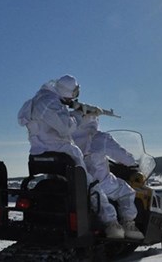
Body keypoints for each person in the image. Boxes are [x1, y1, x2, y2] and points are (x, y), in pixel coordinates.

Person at [17, 75, 125, 239]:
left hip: (38, 154)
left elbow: (41, 120)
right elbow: (67, 128)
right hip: (63, 152)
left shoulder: (35, 101)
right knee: (90, 185)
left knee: (59, 186)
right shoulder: (51, 103)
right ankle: (111, 223)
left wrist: (73, 110)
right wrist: (79, 116)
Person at [72, 109, 145, 240]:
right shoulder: (100, 138)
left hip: (76, 184)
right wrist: (133, 162)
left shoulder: (70, 140)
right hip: (101, 182)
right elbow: (124, 157)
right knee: (126, 191)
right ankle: (126, 225)